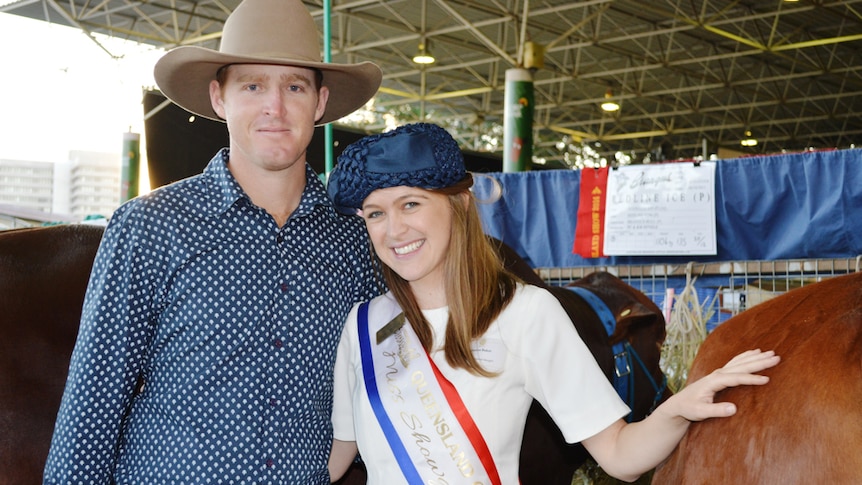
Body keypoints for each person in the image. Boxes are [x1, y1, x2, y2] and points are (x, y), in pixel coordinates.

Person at [325, 122, 781, 484]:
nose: (393, 230)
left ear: (460, 205)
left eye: (411, 204)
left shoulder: (526, 313)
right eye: (376, 214)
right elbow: (334, 457)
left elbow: (621, 456)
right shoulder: (365, 325)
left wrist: (678, 407)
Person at [43, 0, 383, 483]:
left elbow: (377, 387)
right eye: (252, 85)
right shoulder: (151, 227)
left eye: (294, 86)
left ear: (320, 103)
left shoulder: (354, 243)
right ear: (219, 98)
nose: (275, 106)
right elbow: (93, 401)